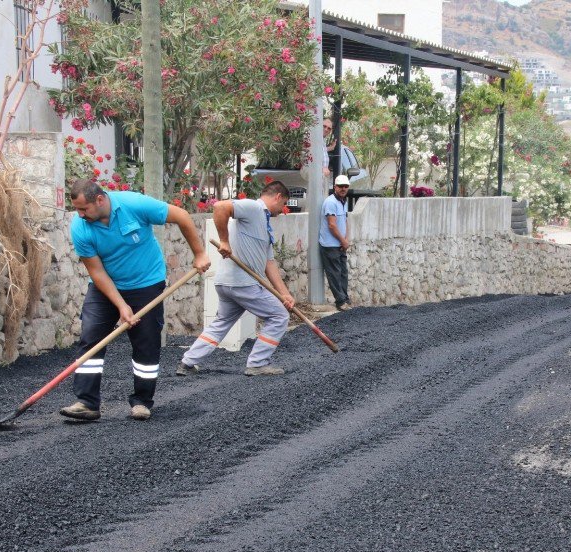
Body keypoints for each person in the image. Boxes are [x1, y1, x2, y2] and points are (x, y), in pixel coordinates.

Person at [60, 179, 210, 422]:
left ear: (100, 200)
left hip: (146, 284)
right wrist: (121, 305)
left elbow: (182, 216)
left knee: (146, 342)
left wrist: (200, 254)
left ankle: (142, 401)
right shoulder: (80, 227)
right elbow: (96, 272)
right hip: (106, 287)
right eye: (76, 209)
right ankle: (87, 402)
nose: (79, 214)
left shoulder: (133, 204)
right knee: (91, 336)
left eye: (83, 208)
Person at [177, 180, 296, 377]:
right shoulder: (253, 208)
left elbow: (269, 263)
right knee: (278, 316)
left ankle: (188, 362)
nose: (282, 209)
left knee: (222, 322)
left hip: (229, 283)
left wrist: (285, 294)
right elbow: (219, 207)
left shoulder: (264, 225)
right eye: (283, 204)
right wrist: (224, 240)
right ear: (278, 197)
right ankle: (258, 363)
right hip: (242, 283)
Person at [320, 174, 352, 311]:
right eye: (340, 186)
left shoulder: (343, 201)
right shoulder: (331, 202)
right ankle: (340, 301)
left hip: (340, 244)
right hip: (330, 245)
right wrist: (343, 240)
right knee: (334, 274)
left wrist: (346, 240)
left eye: (346, 186)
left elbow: (344, 221)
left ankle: (344, 298)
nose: (343, 189)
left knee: (343, 273)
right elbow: (332, 225)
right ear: (335, 187)